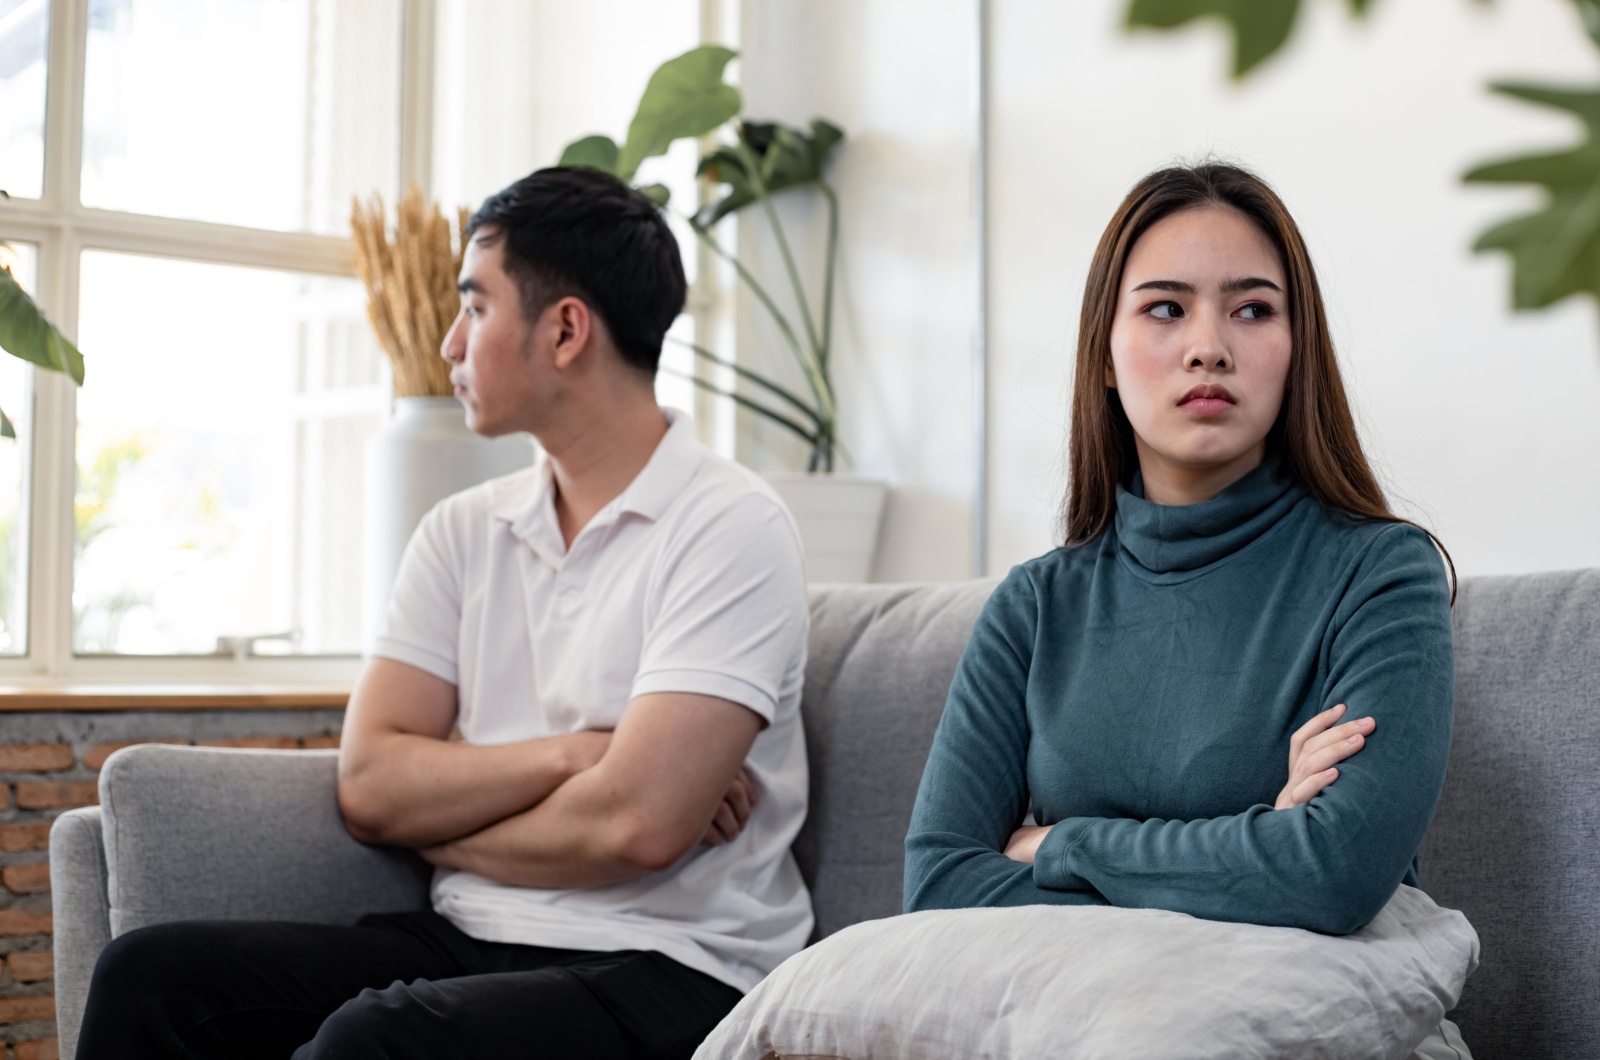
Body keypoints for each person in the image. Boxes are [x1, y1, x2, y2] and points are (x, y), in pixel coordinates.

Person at [76, 167, 813, 1060]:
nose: (448, 341)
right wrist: (580, 756)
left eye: (475, 306)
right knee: (152, 976)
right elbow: (373, 785)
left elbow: (638, 827)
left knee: (373, 1043)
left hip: (673, 967)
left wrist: (448, 834)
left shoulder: (729, 525)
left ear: (567, 329)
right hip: (469, 935)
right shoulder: (463, 530)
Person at [903, 162, 1470, 1055]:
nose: (1209, 346)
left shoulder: (1379, 573)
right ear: (1104, 358)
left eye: (1252, 310)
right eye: (1166, 309)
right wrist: (1257, 845)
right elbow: (938, 886)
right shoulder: (1033, 607)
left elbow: (1333, 874)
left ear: (1298, 350)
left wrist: (1060, 845)